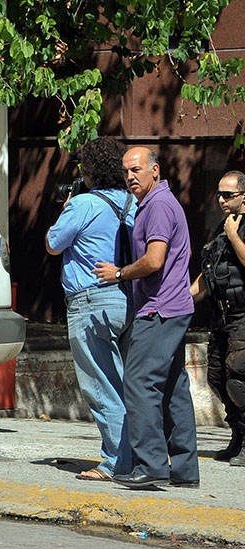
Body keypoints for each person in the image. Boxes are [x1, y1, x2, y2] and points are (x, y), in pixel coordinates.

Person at [93, 146, 199, 489]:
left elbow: (154, 260)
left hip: (160, 309)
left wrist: (120, 274)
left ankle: (151, 464)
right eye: (126, 171)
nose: (130, 177)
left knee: (138, 383)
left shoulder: (157, 206)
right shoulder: (160, 205)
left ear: (155, 170)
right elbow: (182, 252)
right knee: (172, 387)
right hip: (173, 306)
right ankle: (184, 470)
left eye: (136, 169)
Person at [46, 137, 134, 482]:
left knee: (100, 384)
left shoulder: (83, 203)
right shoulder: (131, 202)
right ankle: (135, 455)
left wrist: (65, 206)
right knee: (124, 383)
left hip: (90, 302)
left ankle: (115, 462)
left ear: (91, 171)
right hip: (125, 299)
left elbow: (54, 244)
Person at [190, 170, 245, 466]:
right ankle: (238, 436)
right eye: (220, 194)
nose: (222, 199)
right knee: (218, 378)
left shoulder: (235, 230)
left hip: (243, 314)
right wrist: (184, 299)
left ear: (244, 195)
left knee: (239, 377)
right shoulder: (222, 231)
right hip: (222, 316)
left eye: (229, 194)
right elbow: (208, 274)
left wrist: (235, 235)